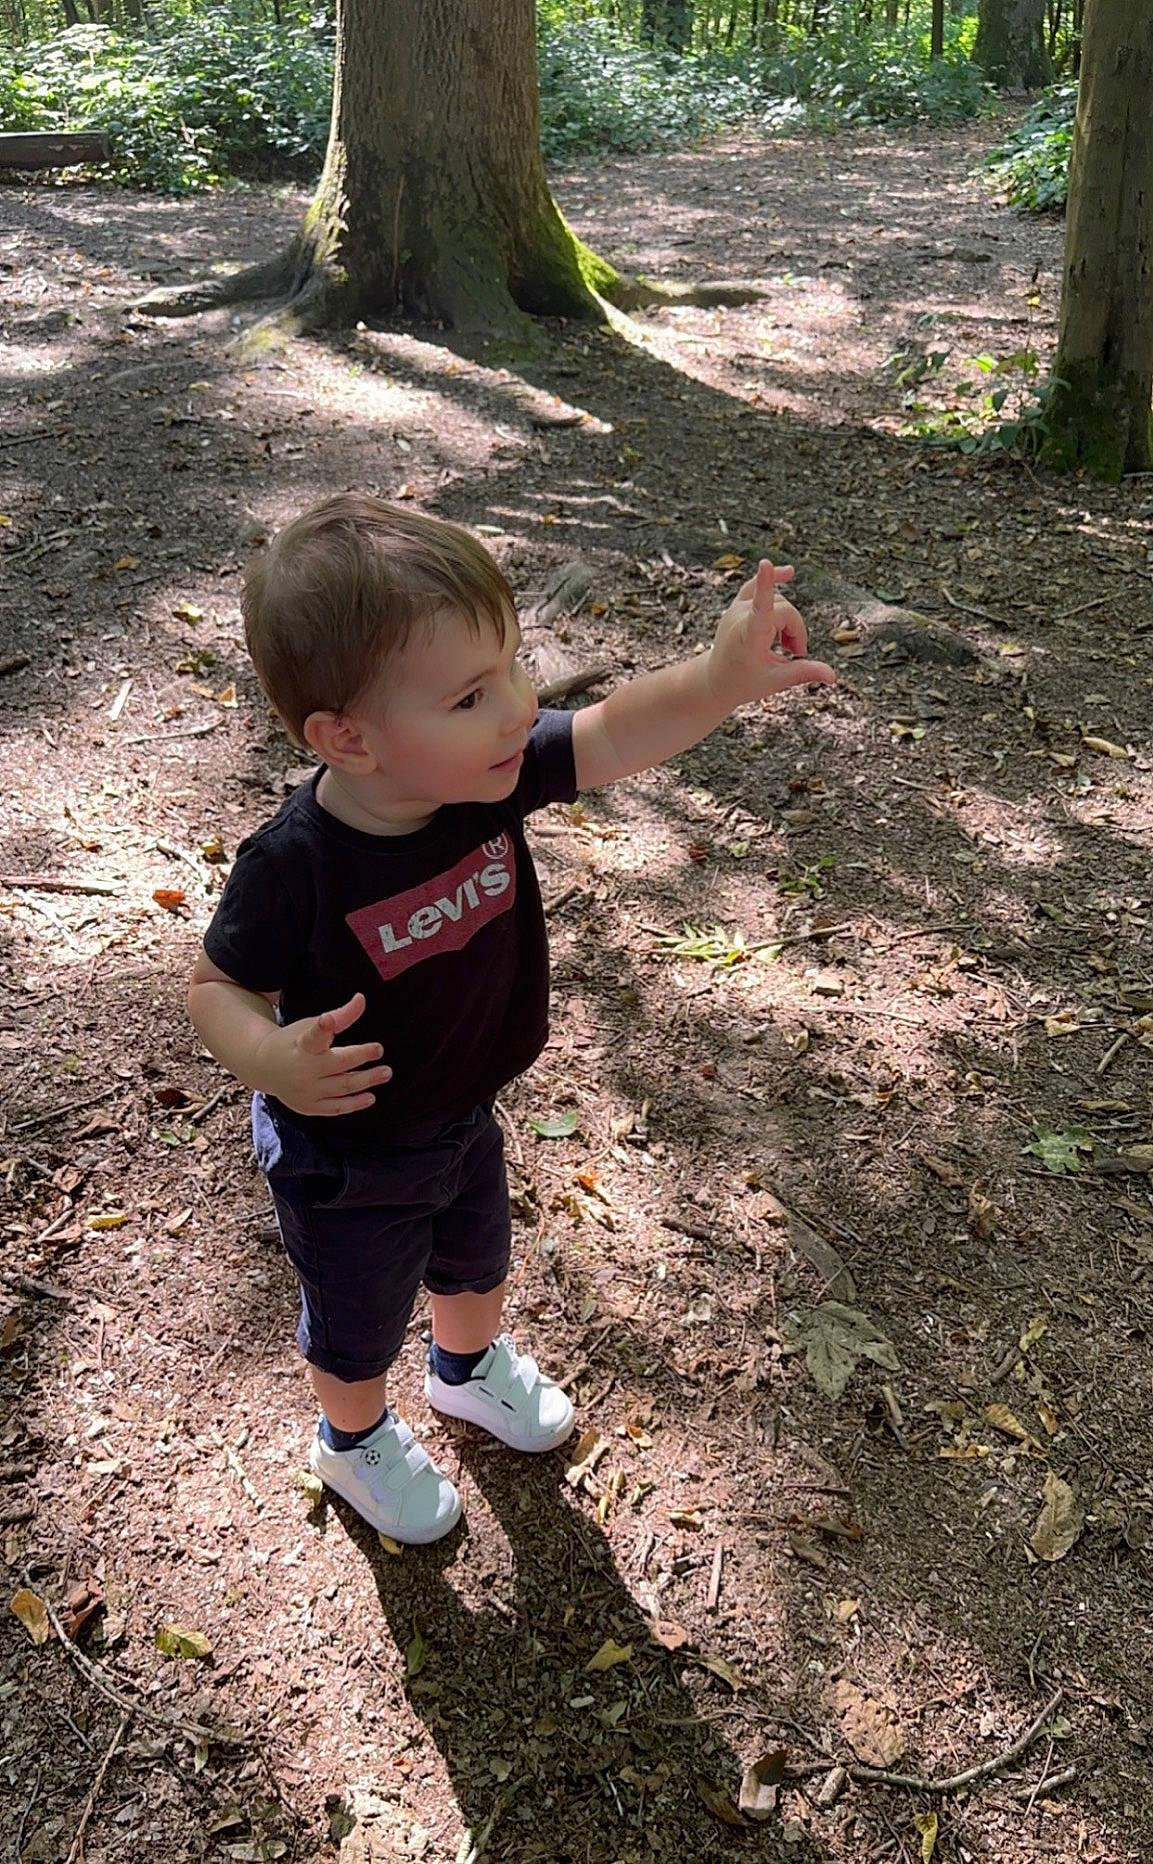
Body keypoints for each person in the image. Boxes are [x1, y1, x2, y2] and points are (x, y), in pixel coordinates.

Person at [187, 492, 834, 1545]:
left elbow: (618, 729)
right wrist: (271, 1059)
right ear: (347, 738)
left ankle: (464, 1368)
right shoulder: (293, 865)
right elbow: (214, 990)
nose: (515, 707)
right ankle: (350, 1440)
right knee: (354, 1323)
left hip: (464, 1112)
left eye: (514, 667)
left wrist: (717, 679)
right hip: (344, 1153)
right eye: (471, 694)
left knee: (476, 1260)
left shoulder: (481, 775)